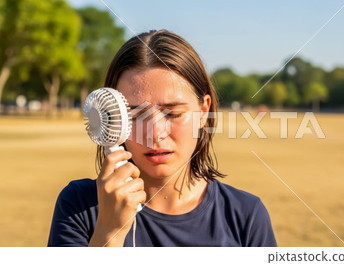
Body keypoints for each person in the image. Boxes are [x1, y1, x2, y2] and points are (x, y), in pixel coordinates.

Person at [47, 30, 277, 247]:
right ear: (111, 119)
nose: (155, 133)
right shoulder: (79, 206)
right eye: (135, 115)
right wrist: (109, 232)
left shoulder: (246, 215)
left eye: (173, 113)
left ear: (203, 112)